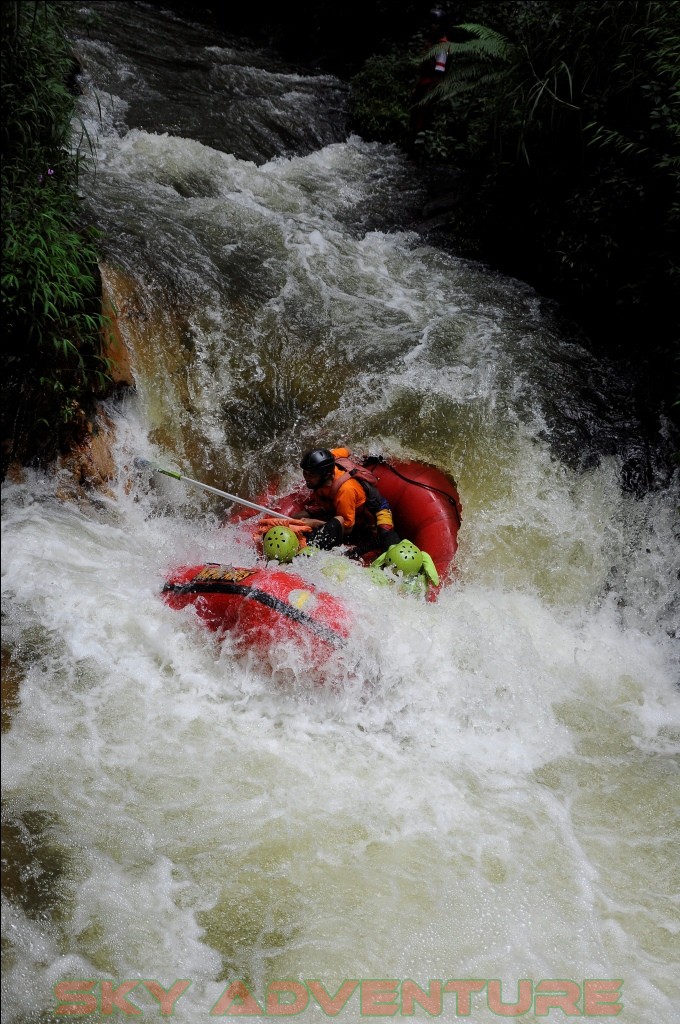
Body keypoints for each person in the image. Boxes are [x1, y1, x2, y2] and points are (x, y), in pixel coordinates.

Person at [292, 446, 401, 554]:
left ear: (326, 475)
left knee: (384, 537)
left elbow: (347, 528)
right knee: (296, 517)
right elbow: (347, 450)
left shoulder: (345, 490)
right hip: (334, 506)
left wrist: (315, 523)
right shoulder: (330, 458)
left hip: (372, 514)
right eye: (305, 473)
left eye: (311, 475)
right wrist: (365, 452)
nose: (306, 478)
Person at [410, 7, 450, 136]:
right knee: (415, 116)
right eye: (432, 23)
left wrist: (428, 95)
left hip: (430, 86)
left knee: (423, 119)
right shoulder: (432, 42)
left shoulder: (442, 46)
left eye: (435, 24)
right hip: (423, 84)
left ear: (441, 25)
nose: (432, 26)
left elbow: (439, 73)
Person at [370, 539, 440, 595]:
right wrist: (435, 582)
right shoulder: (423, 556)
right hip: (414, 585)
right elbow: (432, 574)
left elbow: (376, 564)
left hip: (391, 581)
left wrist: (373, 568)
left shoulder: (391, 550)